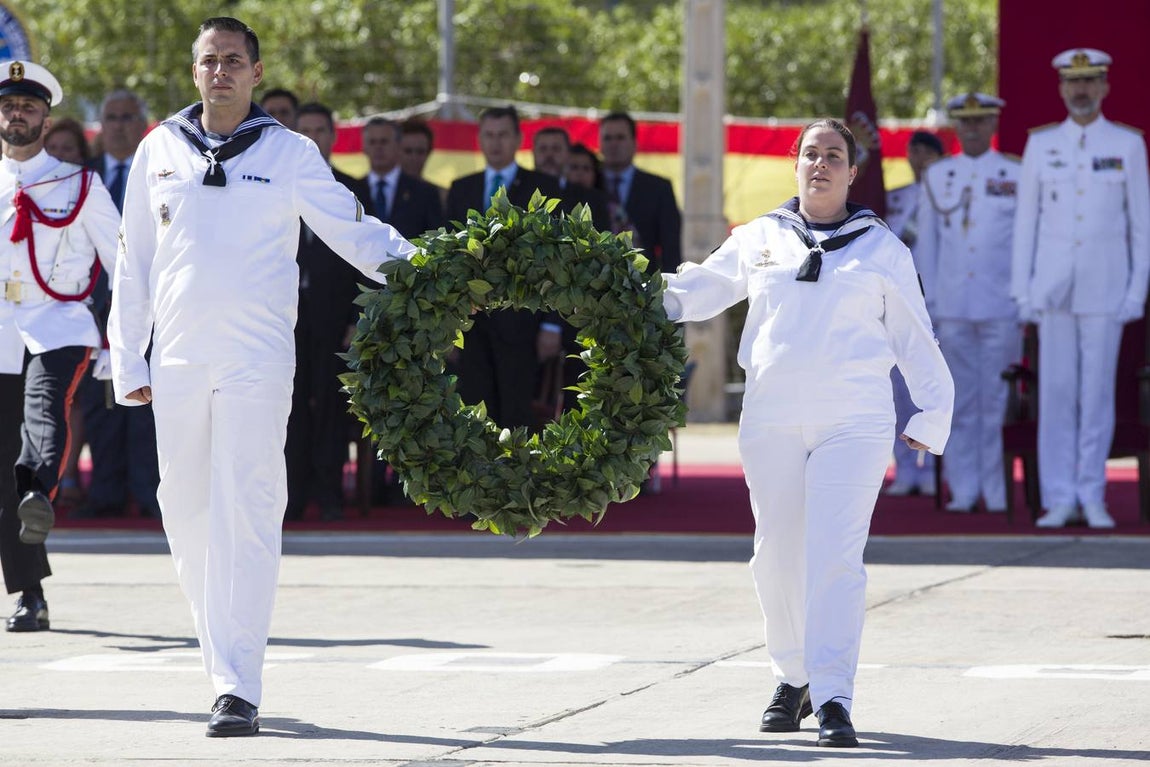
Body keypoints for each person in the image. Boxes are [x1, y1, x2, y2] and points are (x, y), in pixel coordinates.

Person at [107, 17, 415, 736]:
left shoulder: (290, 153)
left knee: (246, 508)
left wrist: (433, 270)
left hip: (256, 359)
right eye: (210, 61)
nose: (221, 72)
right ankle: (223, 660)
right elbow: (134, 263)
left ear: (255, 71)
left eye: (234, 61)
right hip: (178, 358)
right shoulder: (158, 149)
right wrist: (128, 358)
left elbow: (355, 228)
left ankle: (237, 685)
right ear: (194, 72)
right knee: (183, 509)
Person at [660, 119, 953, 747]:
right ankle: (791, 678)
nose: (820, 164)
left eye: (834, 156)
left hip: (855, 419)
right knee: (776, 556)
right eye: (811, 154)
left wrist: (931, 412)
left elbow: (914, 337)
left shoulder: (882, 249)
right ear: (794, 164)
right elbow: (700, 289)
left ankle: (834, 693)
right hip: (772, 416)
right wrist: (624, 291)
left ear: (853, 172)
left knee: (834, 555)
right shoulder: (761, 236)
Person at [0, 61, 120, 631]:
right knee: (4, 467)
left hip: (58, 323)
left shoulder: (81, 183)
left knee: (44, 413)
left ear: (46, 118)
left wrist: (125, 342)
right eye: (7, 106)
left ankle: (39, 492)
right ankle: (31, 589)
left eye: (26, 106)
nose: (15, 114)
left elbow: (124, 266)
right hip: (0, 332)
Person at [1010, 48, 1150, 529]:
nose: (1082, 91)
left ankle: (1093, 495)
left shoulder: (1127, 144)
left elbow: (1141, 226)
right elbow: (1025, 223)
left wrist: (1137, 290)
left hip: (1106, 288)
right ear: (1062, 89)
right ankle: (1059, 497)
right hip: (1051, 291)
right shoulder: (1042, 145)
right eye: (1074, 83)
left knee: (1096, 397)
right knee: (1057, 395)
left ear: (1105, 87)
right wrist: (1022, 291)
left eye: (1091, 82)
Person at [916, 94, 1020, 513]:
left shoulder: (1014, 172)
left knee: (996, 402)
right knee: (956, 400)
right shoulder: (939, 175)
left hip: (1000, 305)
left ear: (993, 124)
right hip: (952, 306)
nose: (973, 129)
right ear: (956, 127)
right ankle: (963, 488)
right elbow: (927, 246)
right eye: (965, 122)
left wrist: (1021, 298)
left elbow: (1021, 242)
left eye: (981, 121)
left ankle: (996, 491)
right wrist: (929, 306)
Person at [284, 102, 374, 522]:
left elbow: (371, 259)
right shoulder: (274, 184)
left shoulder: (354, 187)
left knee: (334, 411)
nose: (314, 138)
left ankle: (331, 493)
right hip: (284, 319)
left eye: (322, 130)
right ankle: (294, 495)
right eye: (306, 130)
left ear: (334, 137)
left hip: (336, 320)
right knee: (290, 408)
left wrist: (359, 321)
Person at [445, 105, 561, 429]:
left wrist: (552, 325)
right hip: (472, 322)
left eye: (503, 135)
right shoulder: (462, 188)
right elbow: (450, 256)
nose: (495, 143)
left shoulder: (543, 187)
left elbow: (554, 258)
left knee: (516, 413)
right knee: (475, 414)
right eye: (489, 135)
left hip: (522, 321)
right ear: (480, 139)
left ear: (518, 139)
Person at [75, 89, 160, 520]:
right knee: (100, 405)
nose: (121, 125)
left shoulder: (159, 176)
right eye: (112, 117)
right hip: (92, 311)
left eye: (129, 116)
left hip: (150, 309)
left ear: (143, 123)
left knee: (146, 402)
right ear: (101, 125)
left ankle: (148, 492)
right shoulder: (82, 179)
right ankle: (105, 492)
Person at [883, 130, 944, 497]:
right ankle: (905, 469)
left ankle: (935, 466)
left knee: (935, 387)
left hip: (938, 302)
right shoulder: (897, 198)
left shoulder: (949, 195)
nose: (918, 158)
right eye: (913, 151)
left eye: (926, 151)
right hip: (900, 305)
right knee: (899, 392)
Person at [42, 117, 93, 508]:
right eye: (52, 148)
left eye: (68, 149)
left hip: (79, 315)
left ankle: (65, 478)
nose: (60, 157)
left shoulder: (91, 191)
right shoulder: (23, 189)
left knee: (70, 402)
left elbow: (117, 256)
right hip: (27, 319)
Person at [599, 111, 682, 273]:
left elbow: (671, 248)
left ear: (634, 143)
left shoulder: (659, 188)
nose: (614, 144)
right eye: (607, 138)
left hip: (642, 285)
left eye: (620, 137)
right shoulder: (586, 183)